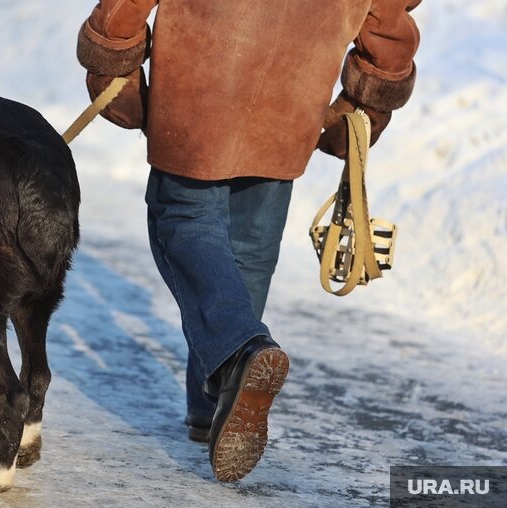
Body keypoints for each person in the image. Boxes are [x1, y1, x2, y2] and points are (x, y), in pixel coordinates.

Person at [77, 0, 421, 482]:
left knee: (183, 221)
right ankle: (212, 405)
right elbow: (388, 28)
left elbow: (121, 12)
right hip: (293, 99)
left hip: (197, 91)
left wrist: (118, 70)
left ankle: (240, 352)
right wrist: (366, 103)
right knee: (250, 253)